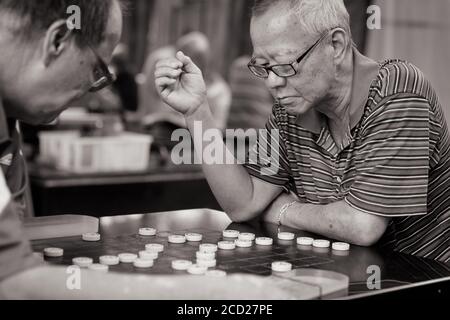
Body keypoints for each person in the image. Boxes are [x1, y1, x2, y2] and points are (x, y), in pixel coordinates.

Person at [0, 0, 301, 300]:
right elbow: (12, 281)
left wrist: (197, 111)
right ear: (56, 41)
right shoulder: (284, 116)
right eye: (97, 69)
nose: (96, 89)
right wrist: (206, 293)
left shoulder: (10, 118)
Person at [155, 0, 450, 263]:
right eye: (263, 66)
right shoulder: (290, 112)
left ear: (336, 44)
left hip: (426, 278)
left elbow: (362, 225)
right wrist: (197, 112)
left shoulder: (399, 91)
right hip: (349, 273)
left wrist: (284, 210)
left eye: (284, 65)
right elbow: (244, 203)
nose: (271, 82)